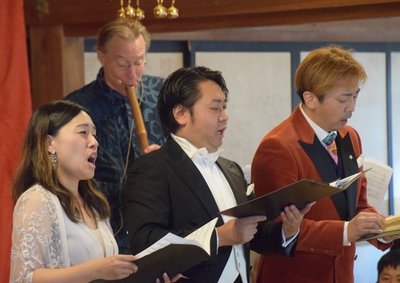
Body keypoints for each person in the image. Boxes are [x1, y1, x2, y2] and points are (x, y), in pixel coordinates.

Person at [124, 66, 313, 283]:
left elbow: (253, 233)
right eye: (215, 109)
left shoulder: (231, 169)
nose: (225, 117)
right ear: (180, 114)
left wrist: (288, 230)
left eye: (224, 107)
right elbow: (145, 242)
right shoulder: (153, 167)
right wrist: (219, 237)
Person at [251, 45, 397, 283]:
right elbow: (276, 227)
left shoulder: (350, 136)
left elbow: (358, 204)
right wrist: (346, 231)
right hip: (295, 276)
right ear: (310, 99)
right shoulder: (278, 146)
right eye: (344, 98)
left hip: (342, 274)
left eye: (356, 96)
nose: (352, 107)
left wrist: (383, 229)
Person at [9, 100, 181, 283]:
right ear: (49, 143)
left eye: (94, 135)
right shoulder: (37, 199)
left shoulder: (95, 204)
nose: (94, 142)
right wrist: (96, 270)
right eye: (83, 133)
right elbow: (23, 278)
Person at [64, 18, 166, 254]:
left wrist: (167, 161)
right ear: (101, 57)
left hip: (159, 227)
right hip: (104, 232)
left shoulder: (163, 94)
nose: (132, 74)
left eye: (139, 62)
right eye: (122, 64)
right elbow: (67, 177)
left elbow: (188, 151)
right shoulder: (75, 107)